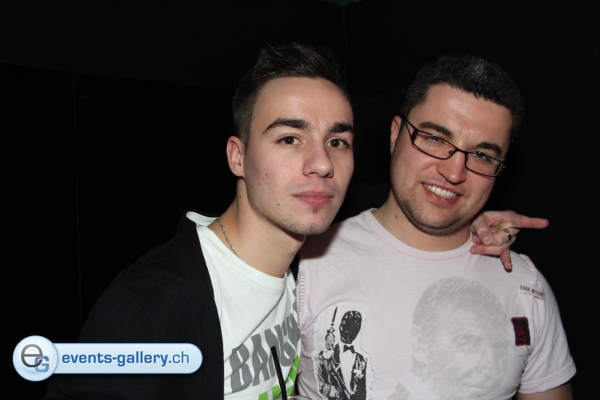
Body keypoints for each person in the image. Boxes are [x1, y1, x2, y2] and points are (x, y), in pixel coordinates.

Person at [42, 44, 543, 399]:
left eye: (337, 141)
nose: (321, 163)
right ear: (238, 156)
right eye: (289, 138)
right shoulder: (154, 301)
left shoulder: (301, 268)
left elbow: (405, 213)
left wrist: (467, 221)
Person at [297, 54, 575, 399]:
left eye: (482, 155)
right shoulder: (306, 264)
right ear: (395, 134)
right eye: (435, 139)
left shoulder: (525, 286)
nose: (455, 172)